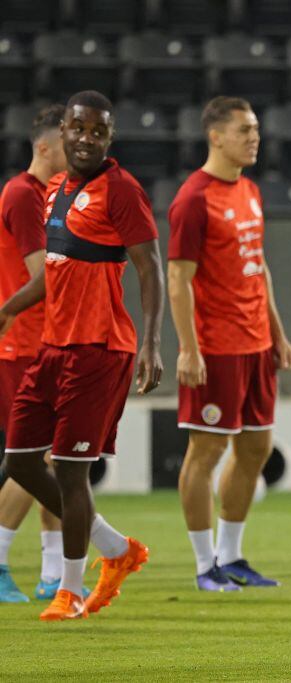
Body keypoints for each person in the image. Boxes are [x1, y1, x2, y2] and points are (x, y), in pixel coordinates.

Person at [0, 90, 163, 621]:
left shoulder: (122, 190)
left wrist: (153, 343)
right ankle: (115, 548)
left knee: (71, 474)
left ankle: (69, 591)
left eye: (98, 131)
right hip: (52, 347)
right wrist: (6, 309)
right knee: (20, 463)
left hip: (100, 349)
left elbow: (150, 267)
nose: (87, 139)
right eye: (79, 129)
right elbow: (51, 278)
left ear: (108, 138)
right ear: (62, 133)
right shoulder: (54, 190)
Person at [169, 96, 291, 591]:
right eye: (244, 130)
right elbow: (178, 279)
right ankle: (204, 566)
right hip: (216, 346)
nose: (254, 137)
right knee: (205, 451)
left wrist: (277, 333)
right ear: (215, 136)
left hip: (255, 344)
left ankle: (232, 555)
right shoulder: (193, 199)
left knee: (256, 449)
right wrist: (188, 347)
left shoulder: (248, 191)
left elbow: (258, 266)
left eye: (256, 129)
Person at [0, 104, 68, 604]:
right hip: (22, 344)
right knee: (32, 458)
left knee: (56, 458)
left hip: (50, 341)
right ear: (43, 146)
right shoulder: (23, 195)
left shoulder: (58, 196)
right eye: (69, 142)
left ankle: (51, 572)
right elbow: (42, 277)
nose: (80, 151)